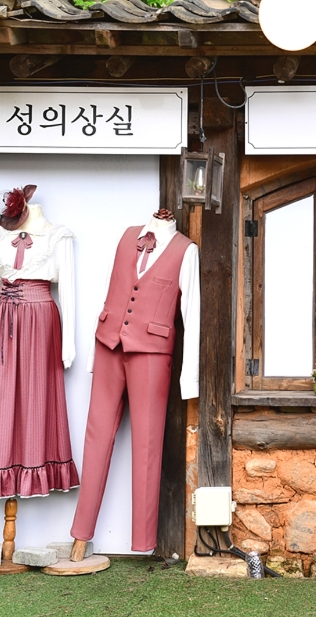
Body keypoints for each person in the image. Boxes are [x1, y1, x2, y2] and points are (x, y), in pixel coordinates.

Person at [69, 208, 199, 558]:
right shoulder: (128, 236)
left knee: (147, 442)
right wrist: (95, 355)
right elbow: (111, 291)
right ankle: (80, 533)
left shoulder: (186, 250)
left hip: (151, 353)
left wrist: (189, 380)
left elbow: (193, 316)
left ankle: (143, 542)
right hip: (108, 343)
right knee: (96, 436)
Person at [0, 185, 79, 499]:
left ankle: (37, 470)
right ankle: (2, 473)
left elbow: (67, 291)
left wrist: (68, 346)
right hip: (2, 319)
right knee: (2, 397)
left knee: (37, 396)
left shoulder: (58, 236)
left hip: (39, 320)